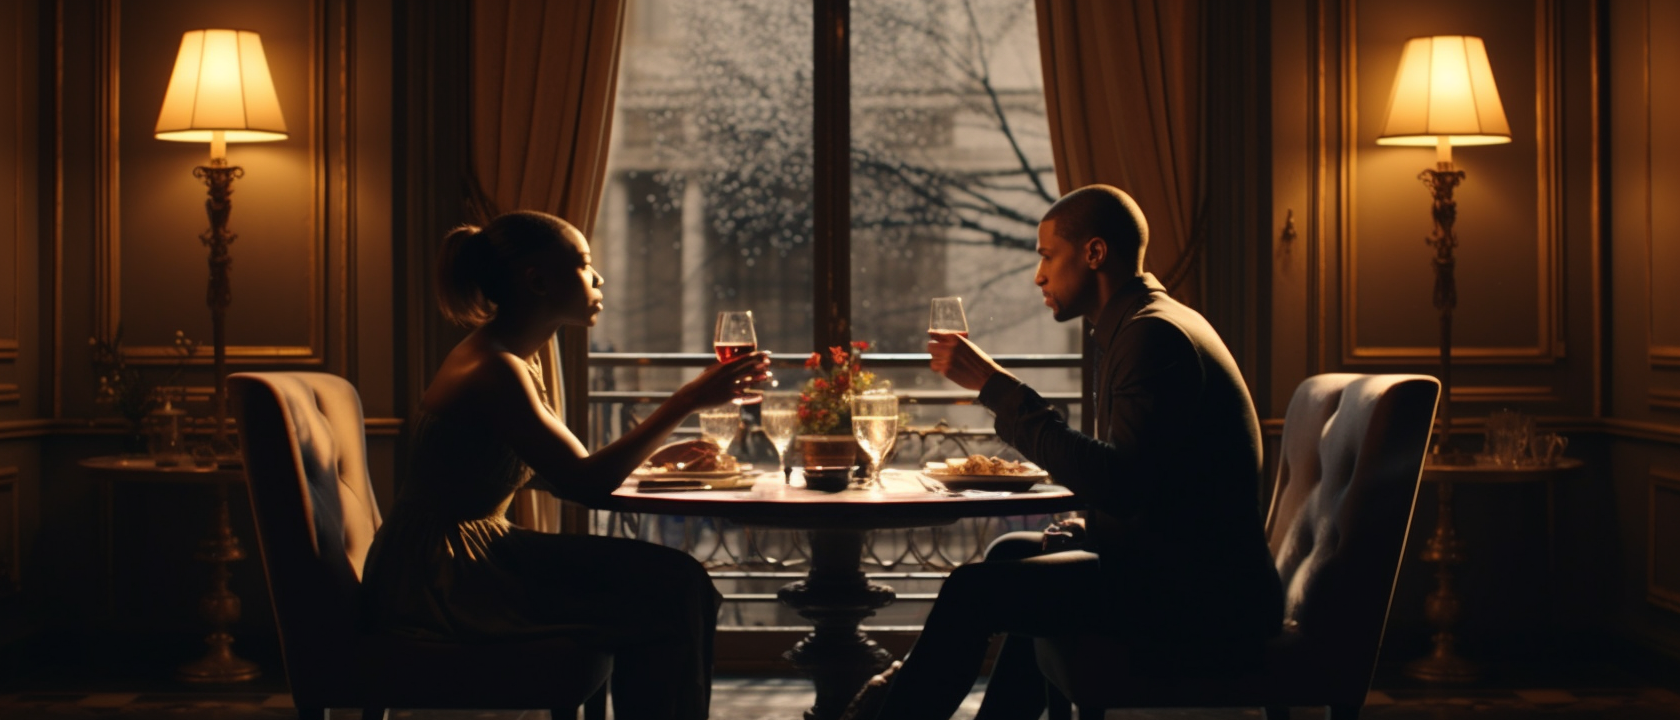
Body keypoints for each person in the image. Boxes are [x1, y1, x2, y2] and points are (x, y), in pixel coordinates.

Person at [847, 185, 1284, 720]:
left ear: (1094, 253)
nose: (1039, 276)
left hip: (1203, 603)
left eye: (1047, 256)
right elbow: (1157, 483)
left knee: (970, 592)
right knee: (1011, 553)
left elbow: (1120, 486)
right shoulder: (1143, 325)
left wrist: (994, 386)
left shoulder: (1154, 336)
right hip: (1179, 572)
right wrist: (1087, 528)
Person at [360, 210, 770, 720]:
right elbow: (586, 485)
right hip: (445, 575)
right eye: (583, 263)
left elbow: (557, 469)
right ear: (537, 281)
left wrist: (656, 458)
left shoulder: (509, 358)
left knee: (673, 582)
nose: (598, 278)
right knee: (673, 586)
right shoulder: (496, 369)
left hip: (456, 554)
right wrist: (686, 400)